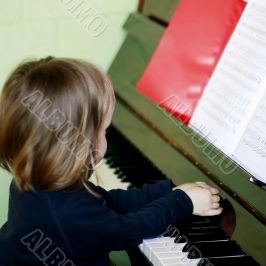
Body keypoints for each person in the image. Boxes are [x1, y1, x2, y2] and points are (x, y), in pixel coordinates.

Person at [0, 57, 222, 265]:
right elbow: (129, 231)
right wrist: (182, 202)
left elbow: (107, 201)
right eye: (105, 130)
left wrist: (168, 190)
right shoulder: (68, 213)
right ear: (78, 142)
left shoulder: (38, 179)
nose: (106, 136)